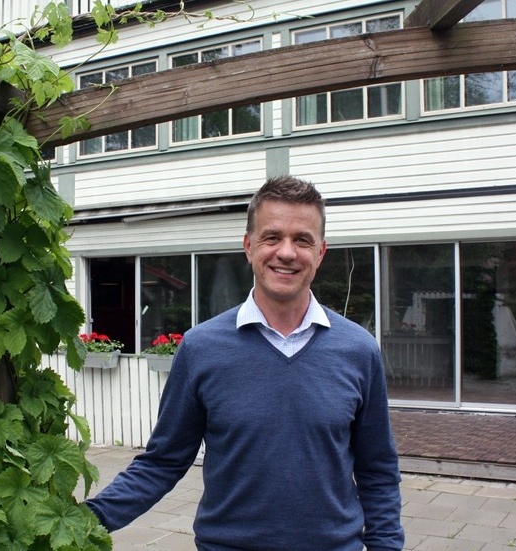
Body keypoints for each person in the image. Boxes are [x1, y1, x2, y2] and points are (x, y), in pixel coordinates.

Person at [85, 176, 405, 551]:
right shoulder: (202, 348)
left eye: (302, 239)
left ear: (320, 253)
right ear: (248, 246)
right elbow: (162, 462)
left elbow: (377, 471)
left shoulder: (358, 350)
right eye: (272, 237)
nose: (287, 252)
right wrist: (83, 520)